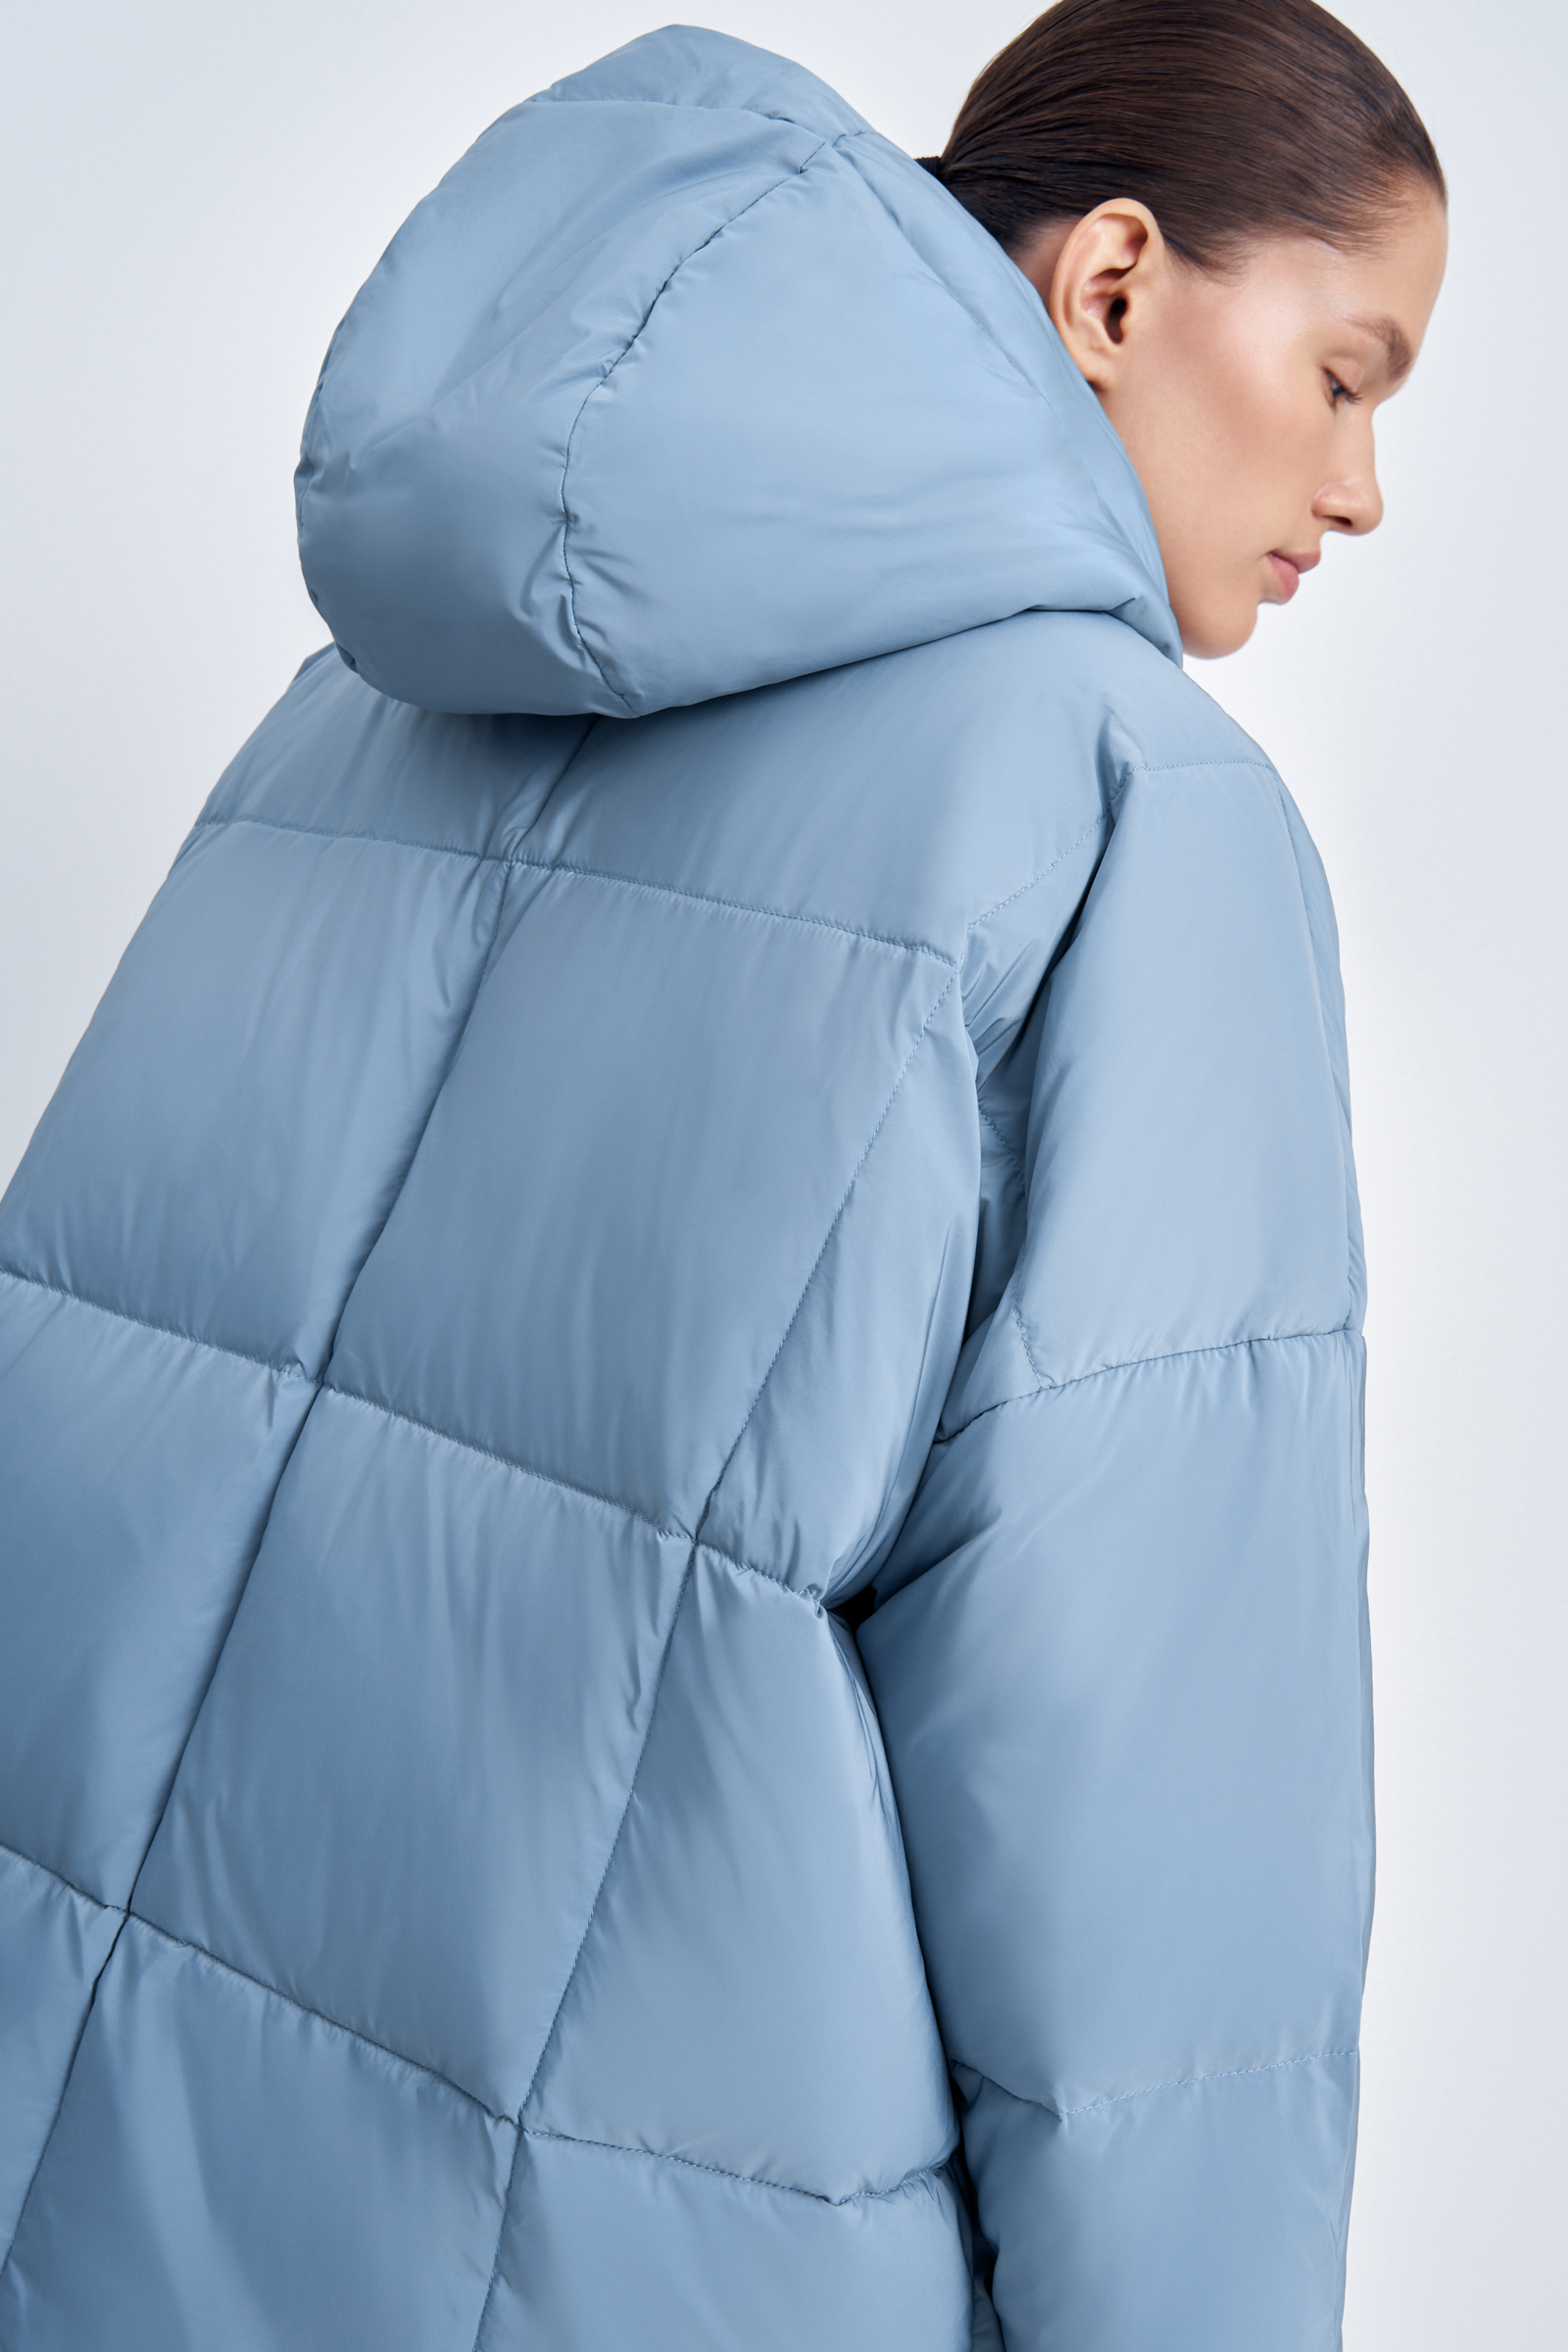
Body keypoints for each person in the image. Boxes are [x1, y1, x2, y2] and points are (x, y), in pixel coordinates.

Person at [0, 1, 1445, 2344]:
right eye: (1346, 374)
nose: (1361, 490)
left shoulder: (358, 704)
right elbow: (1141, 1806)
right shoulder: (1127, 813)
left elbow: (90, 1417)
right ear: (1107, 285)